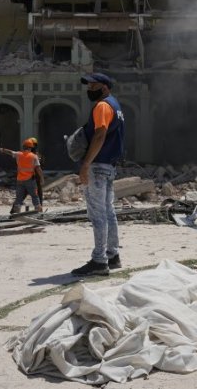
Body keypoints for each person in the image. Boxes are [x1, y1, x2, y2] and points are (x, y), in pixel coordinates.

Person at [71, 73, 125, 277]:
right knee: (109, 211)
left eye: (93, 86)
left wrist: (86, 164)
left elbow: (100, 134)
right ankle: (113, 255)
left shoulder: (102, 106)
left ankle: (99, 261)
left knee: (98, 214)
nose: (89, 89)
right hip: (109, 166)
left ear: (104, 87)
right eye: (88, 86)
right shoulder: (116, 105)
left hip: (98, 165)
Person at [0, 139, 44, 214]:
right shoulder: (34, 156)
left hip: (20, 180)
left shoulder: (19, 154)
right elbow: (38, 169)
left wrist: (3, 150)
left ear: (23, 147)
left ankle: (16, 212)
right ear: (31, 147)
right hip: (30, 180)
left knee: (19, 198)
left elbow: (10, 152)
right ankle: (39, 211)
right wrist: (42, 179)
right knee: (35, 196)